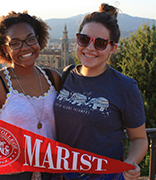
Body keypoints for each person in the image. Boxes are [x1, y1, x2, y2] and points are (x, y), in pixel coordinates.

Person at [0, 11, 61, 180]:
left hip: (50, 172)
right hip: (8, 175)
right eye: (15, 43)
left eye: (30, 39)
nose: (25, 47)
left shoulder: (53, 78)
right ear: (5, 49)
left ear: (38, 39)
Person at [53, 3, 148, 180]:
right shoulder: (66, 75)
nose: (90, 48)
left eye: (100, 43)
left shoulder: (125, 87)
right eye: (84, 39)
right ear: (76, 40)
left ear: (113, 48)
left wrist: (130, 162)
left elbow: (139, 139)